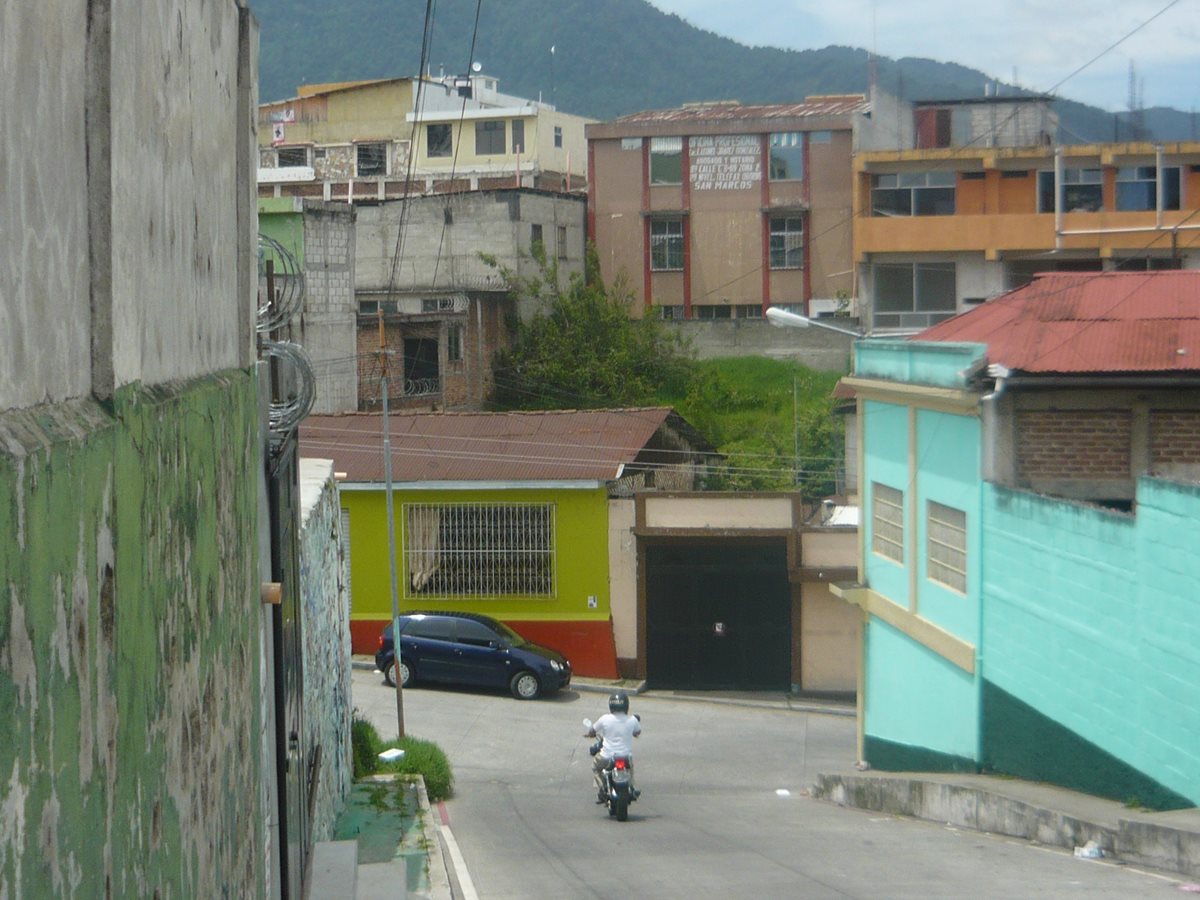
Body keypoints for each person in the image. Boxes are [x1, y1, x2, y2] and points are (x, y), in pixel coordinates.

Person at [587, 691, 641, 803]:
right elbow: (638, 732)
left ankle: (602, 789)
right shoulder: (632, 720)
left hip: (607, 756)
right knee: (630, 770)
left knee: (595, 767)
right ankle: (632, 788)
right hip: (625, 756)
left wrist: (591, 733)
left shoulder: (605, 718)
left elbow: (592, 730)